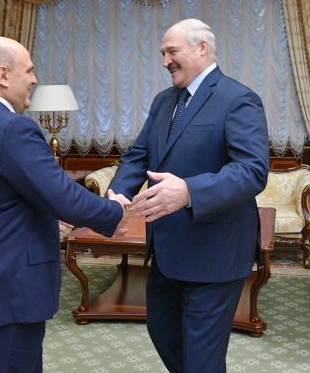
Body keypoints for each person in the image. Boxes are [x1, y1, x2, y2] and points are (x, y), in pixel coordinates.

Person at [0, 36, 128, 373]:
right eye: (29, 70)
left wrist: (44, 213)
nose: (35, 79)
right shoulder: (12, 128)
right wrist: (116, 212)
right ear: (3, 75)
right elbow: (62, 196)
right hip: (5, 288)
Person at [107, 19, 269, 373]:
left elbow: (252, 171)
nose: (165, 61)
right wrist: (117, 193)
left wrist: (189, 191)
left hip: (214, 253)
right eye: (162, 53)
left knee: (201, 358)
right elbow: (138, 154)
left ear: (202, 49)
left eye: (172, 52)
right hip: (166, 252)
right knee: (164, 334)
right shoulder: (164, 100)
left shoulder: (238, 99)